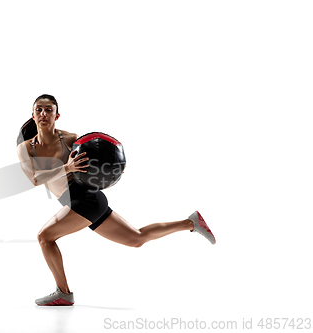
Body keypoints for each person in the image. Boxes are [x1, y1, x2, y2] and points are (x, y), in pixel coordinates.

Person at [16, 94, 216, 306]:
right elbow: (34, 179)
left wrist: (115, 165)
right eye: (39, 109)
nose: (43, 114)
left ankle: (63, 293)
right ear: (33, 114)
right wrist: (67, 168)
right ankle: (191, 222)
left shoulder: (69, 139)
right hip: (78, 204)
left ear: (57, 115)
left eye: (49, 110)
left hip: (85, 199)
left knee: (44, 237)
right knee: (136, 238)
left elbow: (99, 153)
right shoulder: (27, 148)